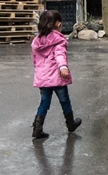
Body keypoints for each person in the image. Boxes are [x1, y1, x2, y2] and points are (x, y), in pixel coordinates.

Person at [31, 10, 81, 139]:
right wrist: (63, 67)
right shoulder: (58, 40)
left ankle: (37, 128)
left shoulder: (37, 41)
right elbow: (59, 54)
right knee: (64, 100)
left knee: (44, 103)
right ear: (58, 24)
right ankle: (70, 123)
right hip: (57, 77)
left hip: (43, 78)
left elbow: (35, 60)